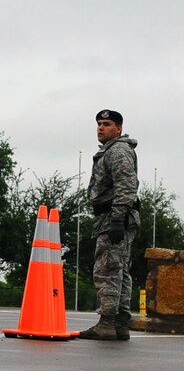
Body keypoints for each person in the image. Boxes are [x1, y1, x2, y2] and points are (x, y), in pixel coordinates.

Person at [79, 109, 140, 341]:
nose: (100, 128)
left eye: (106, 124)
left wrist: (116, 219)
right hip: (116, 217)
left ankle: (107, 323)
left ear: (119, 128)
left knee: (107, 270)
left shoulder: (119, 151)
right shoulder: (114, 150)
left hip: (115, 218)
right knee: (120, 270)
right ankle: (119, 324)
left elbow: (126, 185)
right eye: (99, 124)